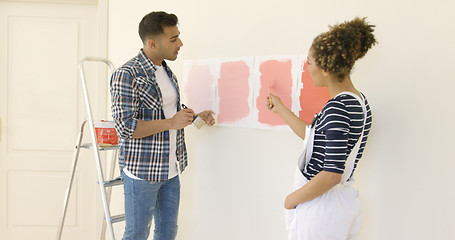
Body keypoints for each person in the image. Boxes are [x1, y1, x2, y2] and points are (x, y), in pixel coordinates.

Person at [267, 17, 376, 240]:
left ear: (325, 68)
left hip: (321, 209)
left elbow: (331, 174)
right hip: (338, 207)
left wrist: (291, 200)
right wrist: (280, 107)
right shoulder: (358, 102)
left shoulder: (337, 108)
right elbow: (314, 137)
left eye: (309, 62)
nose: (307, 68)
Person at [110, 11, 215, 240]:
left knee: (167, 233)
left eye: (178, 36)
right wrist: (171, 123)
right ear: (152, 43)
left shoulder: (167, 72)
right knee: (137, 234)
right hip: (142, 172)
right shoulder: (126, 75)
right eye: (173, 39)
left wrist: (197, 117)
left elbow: (169, 110)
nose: (180, 43)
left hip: (170, 170)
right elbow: (126, 128)